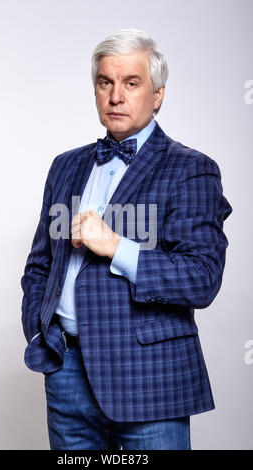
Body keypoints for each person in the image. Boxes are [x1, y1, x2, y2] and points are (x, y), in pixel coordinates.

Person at [20, 28, 232, 450]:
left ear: (157, 95)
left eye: (131, 83)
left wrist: (117, 246)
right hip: (67, 372)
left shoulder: (191, 169)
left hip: (149, 378)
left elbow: (202, 278)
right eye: (105, 82)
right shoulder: (65, 166)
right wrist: (41, 331)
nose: (116, 96)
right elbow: (41, 263)